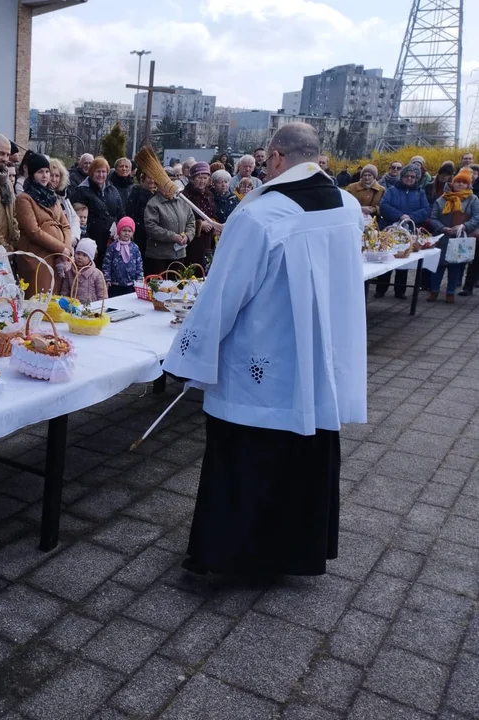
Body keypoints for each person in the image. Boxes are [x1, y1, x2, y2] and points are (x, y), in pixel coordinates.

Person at [162, 122, 367, 577]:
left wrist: (186, 356)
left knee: (247, 459)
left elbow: (223, 295)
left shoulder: (259, 217)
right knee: (303, 455)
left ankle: (230, 558)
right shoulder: (347, 206)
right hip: (317, 362)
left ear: (274, 158)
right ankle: (296, 552)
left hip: (262, 362)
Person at [14, 153, 71, 296]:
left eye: (47, 172)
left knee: (55, 300)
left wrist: (67, 249)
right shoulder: (24, 199)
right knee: (39, 301)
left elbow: (65, 225)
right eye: (40, 172)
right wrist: (61, 248)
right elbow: (33, 231)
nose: (45, 176)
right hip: (36, 258)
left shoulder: (52, 197)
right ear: (33, 174)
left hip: (56, 257)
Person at [375, 164, 430, 300]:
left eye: (413, 176)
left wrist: (411, 217)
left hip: (408, 231)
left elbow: (426, 210)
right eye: (407, 176)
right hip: (390, 229)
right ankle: (381, 288)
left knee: (403, 259)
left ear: (417, 178)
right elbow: (384, 206)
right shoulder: (392, 191)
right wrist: (400, 215)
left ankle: (400, 291)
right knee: (387, 258)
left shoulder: (420, 193)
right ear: (402, 176)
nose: (409, 178)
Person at [426, 168, 479, 302]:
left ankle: (450, 292)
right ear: (453, 182)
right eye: (458, 181)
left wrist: (464, 226)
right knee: (438, 265)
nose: (460, 184)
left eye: (464, 182)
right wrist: (442, 228)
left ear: (468, 185)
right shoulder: (442, 199)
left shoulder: (473, 199)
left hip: (460, 237)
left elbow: (477, 217)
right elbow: (433, 217)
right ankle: (434, 291)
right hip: (443, 236)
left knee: (455, 266)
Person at [70, 155, 124, 264]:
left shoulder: (112, 190)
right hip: (90, 244)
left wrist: (120, 229)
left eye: (103, 172)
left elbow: (121, 213)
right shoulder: (82, 191)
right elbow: (78, 218)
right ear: (91, 172)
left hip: (111, 243)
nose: (101, 175)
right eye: (97, 171)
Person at [144, 177, 194, 275]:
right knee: (162, 287)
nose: (169, 189)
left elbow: (191, 221)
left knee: (178, 286)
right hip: (159, 255)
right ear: (159, 187)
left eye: (171, 186)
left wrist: (188, 236)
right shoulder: (153, 204)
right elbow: (151, 227)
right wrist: (172, 236)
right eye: (165, 186)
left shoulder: (182, 202)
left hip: (179, 253)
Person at [182, 162, 219, 267]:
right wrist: (199, 225)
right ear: (192, 179)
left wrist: (213, 222)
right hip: (192, 240)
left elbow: (213, 213)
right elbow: (182, 218)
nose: (202, 181)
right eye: (199, 178)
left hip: (207, 239)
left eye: (205, 178)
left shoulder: (209, 195)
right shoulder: (186, 195)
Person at [102, 216, 143, 297]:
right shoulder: (113, 247)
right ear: (119, 231)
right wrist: (107, 278)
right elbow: (107, 263)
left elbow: (139, 264)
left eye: (129, 231)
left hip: (130, 284)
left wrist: (139, 280)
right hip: (115, 284)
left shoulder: (135, 248)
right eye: (124, 230)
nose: (127, 233)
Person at [60, 238, 106, 304]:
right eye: (78, 253)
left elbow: (102, 295)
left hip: (91, 309)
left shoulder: (97, 274)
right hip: (72, 308)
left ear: (90, 258)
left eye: (84, 255)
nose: (80, 257)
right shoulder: (69, 272)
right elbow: (65, 291)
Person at [49, 158, 81, 248]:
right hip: (55, 246)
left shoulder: (63, 197)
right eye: (51, 175)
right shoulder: (44, 197)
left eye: (57, 176)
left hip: (68, 245)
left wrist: (73, 238)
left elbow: (74, 218)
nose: (54, 179)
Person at [125, 172, 157, 258]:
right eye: (149, 178)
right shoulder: (136, 193)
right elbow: (130, 213)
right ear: (143, 179)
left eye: (154, 178)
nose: (152, 181)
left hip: (152, 235)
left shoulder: (156, 195)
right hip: (140, 233)